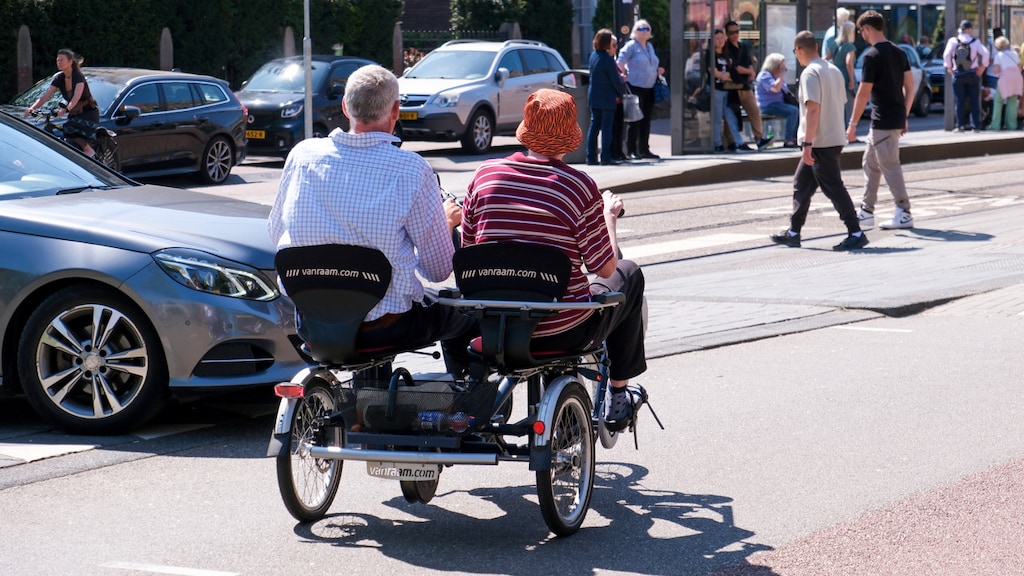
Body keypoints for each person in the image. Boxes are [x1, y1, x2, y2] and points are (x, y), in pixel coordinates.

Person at [268, 65, 476, 374]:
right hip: (386, 327)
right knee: (467, 313)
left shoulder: (302, 156)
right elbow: (437, 270)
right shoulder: (411, 169)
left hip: (313, 322)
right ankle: (465, 406)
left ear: (345, 107)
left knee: (377, 296)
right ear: (396, 110)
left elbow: (276, 233)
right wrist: (446, 224)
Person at [462, 88, 647, 431]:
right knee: (630, 275)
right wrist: (608, 218)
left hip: (496, 328)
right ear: (569, 138)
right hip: (563, 330)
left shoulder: (483, 177)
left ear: (525, 130)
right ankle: (619, 395)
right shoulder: (578, 186)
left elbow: (469, 252)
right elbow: (605, 268)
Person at [771, 31, 868, 251]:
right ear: (816, 46)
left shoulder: (810, 73)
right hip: (833, 137)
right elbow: (840, 103)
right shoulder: (833, 70)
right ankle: (794, 232)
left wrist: (807, 144)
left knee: (833, 187)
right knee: (802, 184)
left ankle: (856, 232)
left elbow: (813, 109)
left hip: (819, 142)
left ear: (798, 51)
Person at [846, 10, 915, 231]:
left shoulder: (871, 56)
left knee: (889, 165)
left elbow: (863, 93)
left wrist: (852, 124)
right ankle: (866, 211)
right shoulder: (899, 52)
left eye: (861, 31)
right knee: (870, 164)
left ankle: (903, 211)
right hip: (891, 118)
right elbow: (910, 86)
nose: (862, 35)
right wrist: (904, 114)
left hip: (882, 119)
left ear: (866, 29)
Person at [24, 49, 99, 158]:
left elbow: (76, 97)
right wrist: (32, 108)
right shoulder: (59, 78)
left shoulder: (78, 76)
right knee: (67, 138)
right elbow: (46, 95)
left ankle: (89, 151)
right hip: (74, 113)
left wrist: (66, 109)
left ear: (70, 62)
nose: (59, 62)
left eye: (62, 60)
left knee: (68, 127)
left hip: (88, 113)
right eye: (57, 60)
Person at [618, 19, 664, 160]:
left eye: (647, 29)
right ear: (635, 32)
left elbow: (652, 63)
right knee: (634, 119)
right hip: (635, 86)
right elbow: (620, 61)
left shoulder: (649, 46)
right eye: (641, 29)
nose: (644, 32)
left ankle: (644, 149)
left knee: (646, 119)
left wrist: (658, 70)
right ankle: (631, 149)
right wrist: (623, 74)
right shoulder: (631, 45)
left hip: (649, 86)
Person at [725, 20, 773, 151]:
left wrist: (751, 72)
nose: (735, 35)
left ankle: (759, 139)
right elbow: (737, 68)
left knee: (754, 111)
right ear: (727, 34)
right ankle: (733, 142)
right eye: (731, 32)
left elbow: (748, 62)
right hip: (732, 87)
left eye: (737, 32)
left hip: (745, 85)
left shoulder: (743, 46)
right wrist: (750, 71)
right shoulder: (726, 49)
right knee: (732, 115)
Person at [943, 20, 990, 132]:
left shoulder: (953, 41)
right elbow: (986, 53)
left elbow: (946, 54)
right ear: (969, 29)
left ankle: (960, 125)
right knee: (974, 100)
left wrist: (949, 68)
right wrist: (982, 68)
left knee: (960, 101)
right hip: (972, 74)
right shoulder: (975, 42)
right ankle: (976, 126)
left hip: (958, 74)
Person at [587, 29, 625, 165]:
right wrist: (621, 93)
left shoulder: (593, 56)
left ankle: (591, 157)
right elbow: (614, 80)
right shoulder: (607, 59)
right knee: (607, 128)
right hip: (607, 96)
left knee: (594, 127)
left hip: (594, 95)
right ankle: (605, 157)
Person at [709, 29, 747, 152]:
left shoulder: (728, 53)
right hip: (717, 89)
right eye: (717, 38)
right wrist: (722, 75)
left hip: (729, 90)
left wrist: (728, 76)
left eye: (722, 38)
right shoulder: (710, 54)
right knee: (717, 117)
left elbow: (733, 71)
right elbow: (712, 71)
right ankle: (717, 143)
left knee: (731, 116)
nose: (720, 41)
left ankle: (739, 142)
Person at [754, 52, 800, 148]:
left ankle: (796, 138)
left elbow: (785, 91)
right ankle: (788, 139)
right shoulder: (764, 75)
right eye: (782, 66)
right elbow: (775, 88)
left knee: (799, 110)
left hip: (779, 104)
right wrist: (781, 75)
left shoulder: (777, 76)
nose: (784, 69)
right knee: (793, 111)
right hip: (767, 105)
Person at [988, 36, 1022, 131]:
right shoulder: (1014, 54)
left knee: (998, 101)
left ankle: (995, 125)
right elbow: (1019, 67)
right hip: (1016, 78)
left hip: (1005, 79)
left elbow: (996, 70)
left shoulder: (999, 56)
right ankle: (1012, 125)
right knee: (1012, 101)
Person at [834, 21, 859, 127]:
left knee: (839, 106)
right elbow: (849, 63)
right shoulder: (849, 46)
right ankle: (849, 132)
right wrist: (852, 80)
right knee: (850, 106)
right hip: (846, 77)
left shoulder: (835, 44)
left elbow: (826, 57)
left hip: (836, 76)